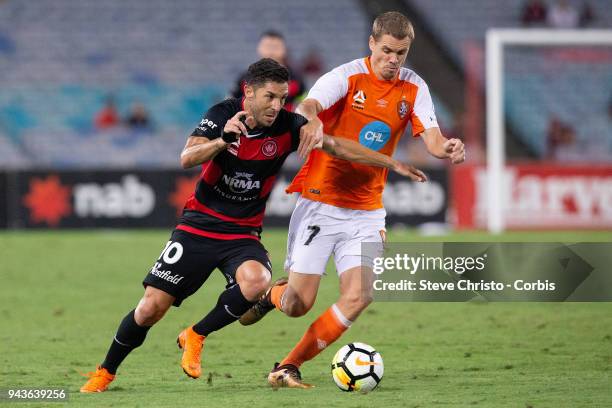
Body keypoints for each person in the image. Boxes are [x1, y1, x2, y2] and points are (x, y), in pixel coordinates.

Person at [79, 58, 427, 393]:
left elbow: (336, 146)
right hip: (198, 226)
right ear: (249, 92)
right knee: (151, 307)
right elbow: (187, 157)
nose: (277, 105)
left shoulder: (287, 126)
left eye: (282, 98)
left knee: (257, 280)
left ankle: (196, 335)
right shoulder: (223, 114)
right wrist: (222, 142)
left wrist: (391, 164)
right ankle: (105, 371)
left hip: (242, 234)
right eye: (269, 97)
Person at [239, 11, 465, 388]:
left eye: (402, 53)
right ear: (372, 44)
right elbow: (308, 105)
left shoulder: (414, 88)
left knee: (359, 296)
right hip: (320, 202)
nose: (393, 60)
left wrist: (449, 148)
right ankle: (272, 294)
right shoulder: (346, 76)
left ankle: (288, 365)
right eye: (388, 51)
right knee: (297, 305)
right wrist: (310, 119)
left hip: (366, 211)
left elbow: (433, 138)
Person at [231, 30, 305, 112]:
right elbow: (231, 102)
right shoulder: (245, 79)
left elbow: (304, 104)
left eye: (276, 47)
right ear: (259, 48)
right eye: (267, 47)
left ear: (284, 50)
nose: (271, 52)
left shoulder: (296, 79)